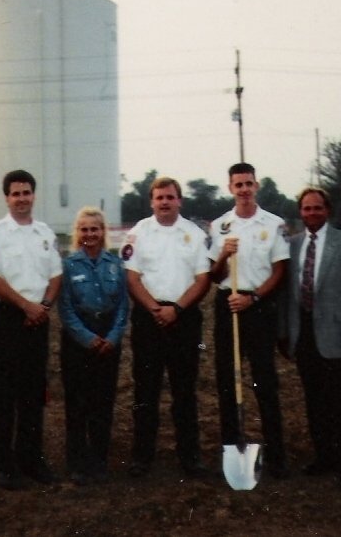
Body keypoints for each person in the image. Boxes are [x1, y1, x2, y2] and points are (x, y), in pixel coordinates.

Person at [0, 169, 62, 490]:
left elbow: (55, 275)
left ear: (33, 195)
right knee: (2, 395)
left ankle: (31, 459)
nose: (22, 199)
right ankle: (2, 464)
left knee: (33, 395)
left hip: (38, 320)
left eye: (26, 193)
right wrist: (27, 306)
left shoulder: (45, 233)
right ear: (7, 197)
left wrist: (45, 307)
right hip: (7, 321)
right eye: (16, 194)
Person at [279, 187, 341, 490]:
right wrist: (286, 333)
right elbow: (287, 296)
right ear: (300, 212)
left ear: (327, 210)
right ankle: (325, 457)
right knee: (315, 401)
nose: (311, 213)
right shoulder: (292, 245)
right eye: (306, 209)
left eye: (317, 208)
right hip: (305, 335)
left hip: (340, 336)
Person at [121, 177, 211, 478]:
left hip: (184, 320)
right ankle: (142, 458)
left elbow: (202, 279)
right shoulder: (138, 233)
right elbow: (132, 278)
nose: (164, 202)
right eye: (159, 197)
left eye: (170, 197)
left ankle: (190, 457)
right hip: (149, 319)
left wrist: (178, 309)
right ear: (151, 201)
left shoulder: (194, 234)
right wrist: (156, 309)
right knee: (145, 392)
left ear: (179, 201)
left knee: (184, 393)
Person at [208, 162, 289, 478]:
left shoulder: (274, 224)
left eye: (248, 184)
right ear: (230, 188)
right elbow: (215, 277)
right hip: (228, 303)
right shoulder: (219, 226)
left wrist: (253, 297)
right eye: (238, 184)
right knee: (228, 381)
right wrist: (224, 256)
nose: (243, 190)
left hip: (258, 305)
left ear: (257, 186)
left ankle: (277, 456)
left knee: (264, 381)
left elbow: (280, 270)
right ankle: (232, 448)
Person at [58, 206, 129, 486]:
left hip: (108, 339)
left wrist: (112, 337)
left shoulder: (115, 264)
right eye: (84, 229)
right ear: (78, 233)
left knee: (103, 403)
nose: (90, 234)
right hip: (78, 339)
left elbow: (123, 305)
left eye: (95, 229)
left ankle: (99, 460)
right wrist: (86, 338)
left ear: (103, 232)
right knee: (77, 404)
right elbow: (65, 308)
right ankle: (77, 462)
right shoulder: (68, 265)